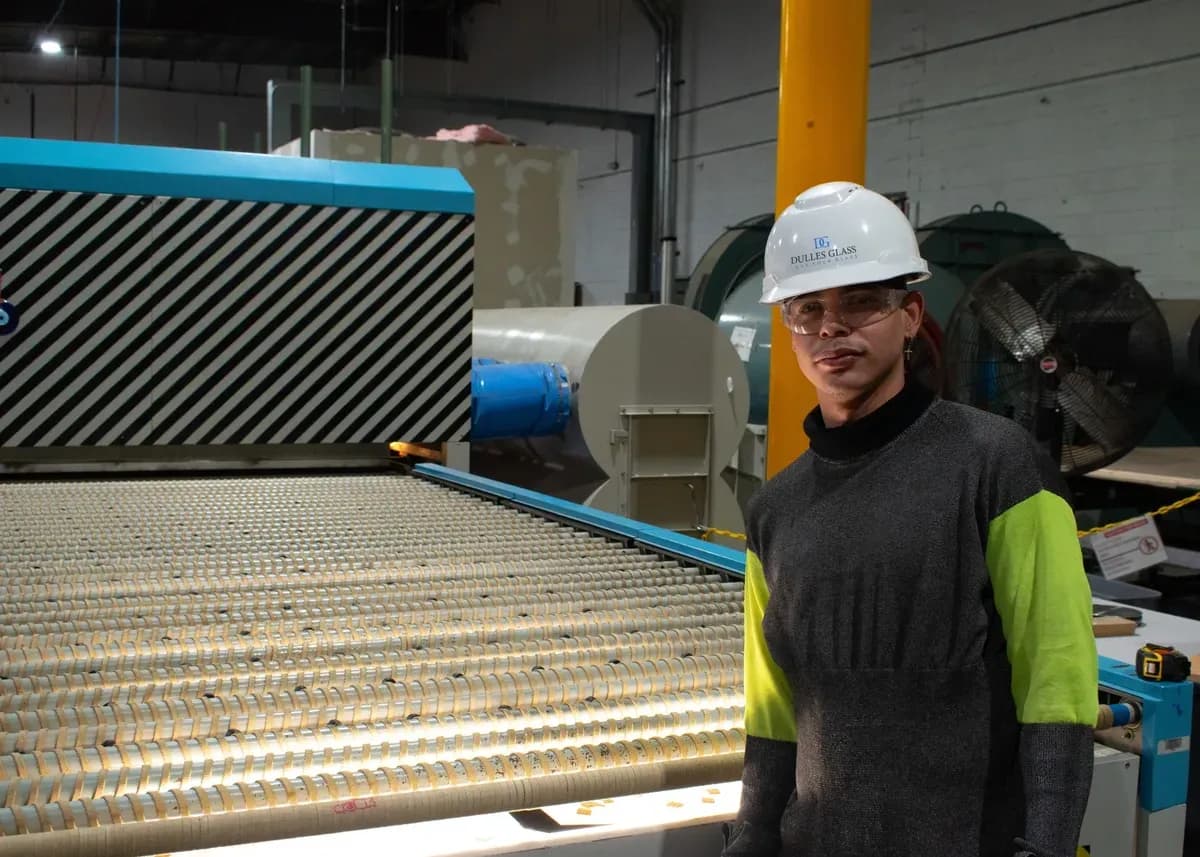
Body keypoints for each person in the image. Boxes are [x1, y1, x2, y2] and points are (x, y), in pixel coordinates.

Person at [721, 181, 1097, 857]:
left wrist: (1047, 845)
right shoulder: (775, 509)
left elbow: (1059, 684)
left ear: (910, 313)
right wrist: (752, 835)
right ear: (789, 329)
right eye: (808, 310)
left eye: (861, 301)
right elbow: (773, 707)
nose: (832, 327)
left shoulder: (998, 465)